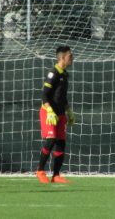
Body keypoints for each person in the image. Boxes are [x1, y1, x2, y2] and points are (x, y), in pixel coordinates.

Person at [36, 45, 75, 184]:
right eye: (70, 56)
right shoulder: (53, 73)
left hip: (60, 113)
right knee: (51, 140)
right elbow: (44, 95)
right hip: (48, 112)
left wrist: (69, 111)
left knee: (61, 143)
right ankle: (40, 171)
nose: (73, 58)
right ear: (63, 57)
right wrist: (50, 111)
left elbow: (62, 96)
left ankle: (56, 175)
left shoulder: (65, 74)